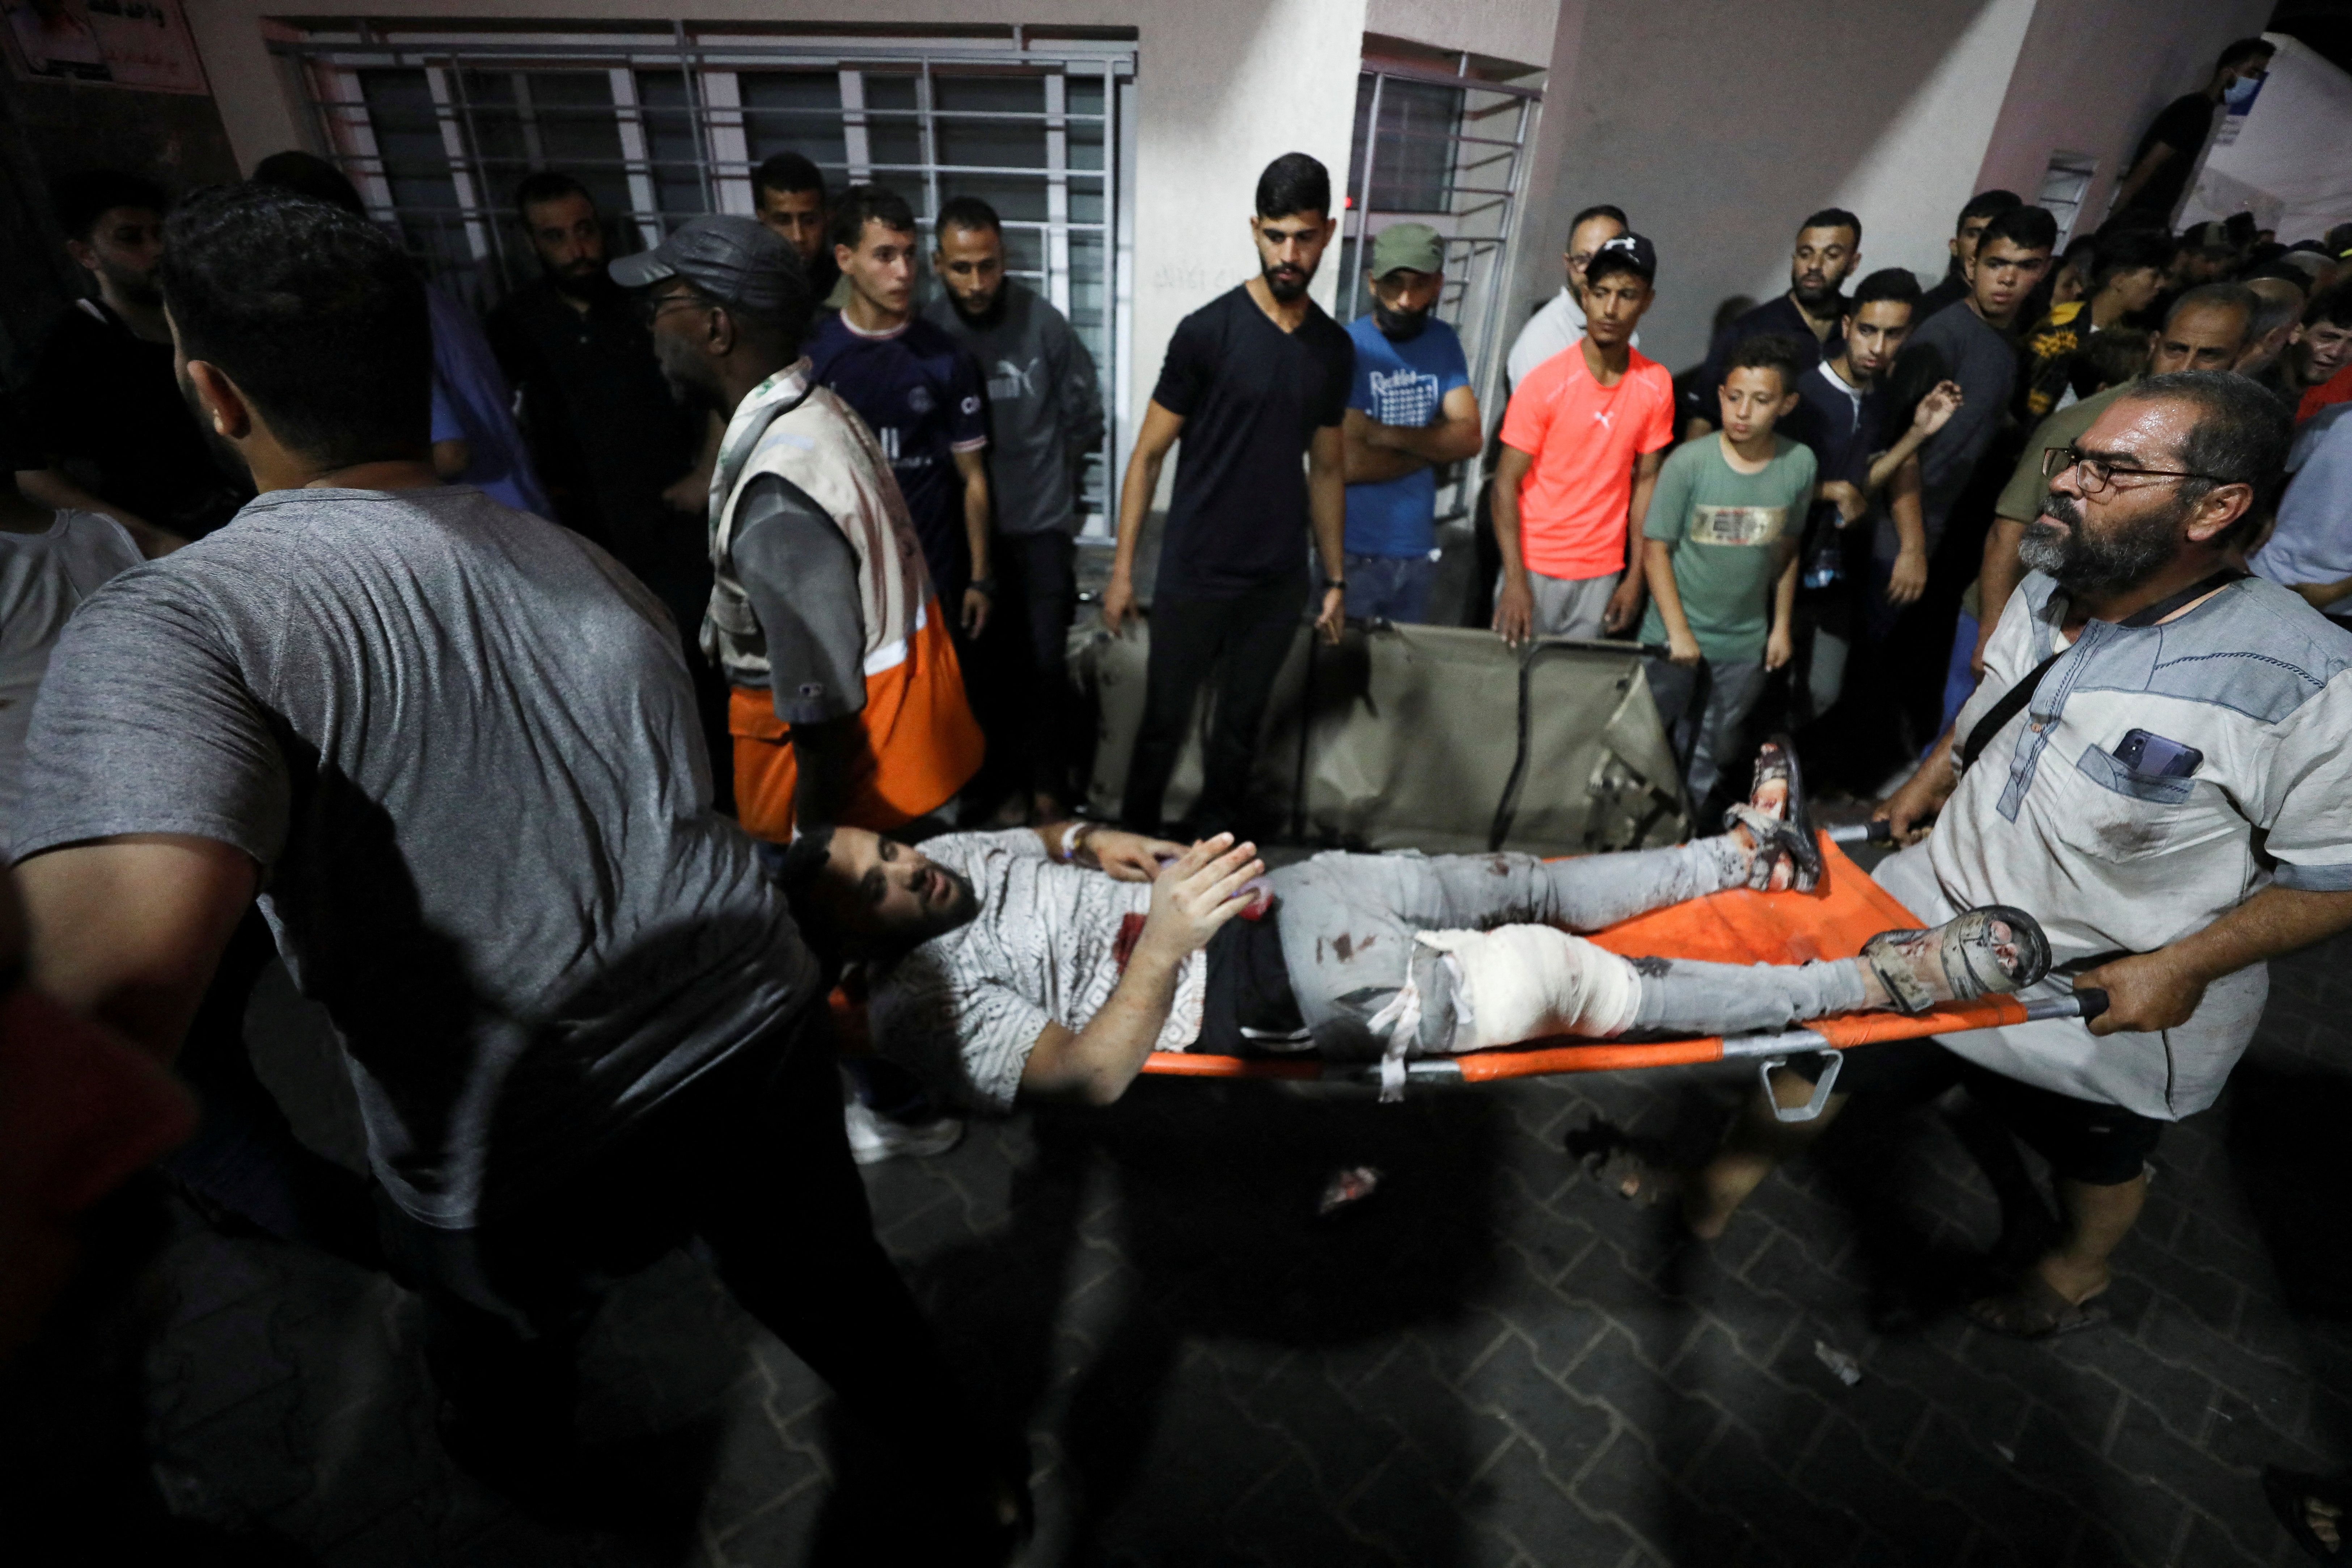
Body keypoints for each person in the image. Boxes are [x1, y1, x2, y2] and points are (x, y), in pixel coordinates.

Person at [9, 184, 1021, 1552]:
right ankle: (981, 1480)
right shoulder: (580, 560)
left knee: (500, 1396)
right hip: (749, 1033)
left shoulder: (183, 623)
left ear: (213, 391)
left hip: (519, 1137)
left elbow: (88, 1036)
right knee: (838, 1291)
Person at [1612, 372, 2352, 1343]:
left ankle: (2073, 1273)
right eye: (2074, 458)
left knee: (2093, 1159)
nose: (2067, 481)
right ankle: (1710, 1194)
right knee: (1813, 1055)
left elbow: (2334, 876)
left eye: (2111, 470)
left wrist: (2180, 967)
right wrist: (1929, 780)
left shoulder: (2304, 685)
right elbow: (1997, 704)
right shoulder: (2052, 582)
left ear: (2214, 508)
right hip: (1931, 920)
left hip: (2095, 993)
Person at [780, 744, 2048, 1114]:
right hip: (1278, 991)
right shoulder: (919, 1002)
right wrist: (1161, 940)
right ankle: (1882, 981)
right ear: (853, 945)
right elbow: (1086, 1079)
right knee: (1568, 977)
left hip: (1290, 892)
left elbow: (1030, 838)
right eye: (880, 884)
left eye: (889, 847)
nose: (913, 869)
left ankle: (1742, 854)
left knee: (1524, 877)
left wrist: (1083, 837)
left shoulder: (948, 858)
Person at [620, 212, 982, 847]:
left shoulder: (781, 487)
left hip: (850, 806)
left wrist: (811, 847)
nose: (651, 328)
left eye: (662, 307)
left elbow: (821, 707)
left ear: (716, 327)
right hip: (910, 764)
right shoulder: (821, 411)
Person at [1104, 152, 1352, 836]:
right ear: (1255, 230)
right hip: (1196, 571)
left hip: (1276, 581)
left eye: (1304, 237)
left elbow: (1327, 470)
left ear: (1328, 234)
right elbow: (1147, 456)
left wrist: (1334, 577)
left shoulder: (1333, 349)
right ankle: (1133, 853)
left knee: (1239, 734)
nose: (1289, 254)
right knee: (1164, 723)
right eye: (1276, 236)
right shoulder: (1206, 332)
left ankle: (1216, 859)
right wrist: (1123, 572)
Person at [923, 194, 1104, 821]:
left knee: (1046, 667)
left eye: (989, 266)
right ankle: (994, 794)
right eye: (962, 268)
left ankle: (1049, 792)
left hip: (1040, 530)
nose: (978, 283)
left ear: (1004, 260)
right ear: (938, 265)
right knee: (980, 672)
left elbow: (1085, 414)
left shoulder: (1043, 323)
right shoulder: (927, 336)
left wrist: (1050, 480)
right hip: (964, 538)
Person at [248, 149, 554, 518]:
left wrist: (330, 486)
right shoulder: (417, 292)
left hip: (490, 525)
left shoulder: (373, 312)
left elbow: (450, 453)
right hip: (521, 515)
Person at [1971, 284, 2255, 677]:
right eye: (2175, 349)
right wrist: (1991, 631)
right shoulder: (2086, 424)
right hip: (2031, 618)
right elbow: (2009, 529)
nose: (2188, 365)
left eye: (2210, 355)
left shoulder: (2231, 438)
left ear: (2241, 357)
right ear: (2154, 344)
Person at [485, 172, 712, 632]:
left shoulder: (644, 304)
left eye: (584, 230)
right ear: (531, 243)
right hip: (580, 529)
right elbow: (498, 420)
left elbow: (711, 384)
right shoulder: (516, 322)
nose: (577, 250)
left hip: (668, 518)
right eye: (556, 237)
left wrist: (705, 473)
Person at [11, 170, 246, 544]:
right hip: (178, 540)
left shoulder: (203, 316)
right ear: (86, 254)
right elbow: (33, 472)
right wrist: (151, 541)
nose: (156, 250)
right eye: (130, 238)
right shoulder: (71, 346)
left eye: (160, 233)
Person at [807, 184, 993, 646]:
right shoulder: (814, 356)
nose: (904, 272)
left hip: (931, 575)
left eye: (909, 254)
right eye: (885, 256)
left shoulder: (946, 357)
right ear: (845, 258)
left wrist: (979, 577)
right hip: (845, 576)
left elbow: (973, 477)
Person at [1638, 335, 1815, 808]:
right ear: (1720, 396)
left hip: (1741, 644)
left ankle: (1684, 831)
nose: (1743, 412)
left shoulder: (1798, 464)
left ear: (1786, 404)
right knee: (1643, 742)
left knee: (1707, 752)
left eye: (1760, 400)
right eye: (1734, 397)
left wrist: (1780, 626)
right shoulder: (1689, 463)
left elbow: (1787, 549)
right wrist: (1678, 631)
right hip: (1671, 639)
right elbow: (1656, 549)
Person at [1778, 269, 1949, 720]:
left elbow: (1861, 487)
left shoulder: (1880, 398)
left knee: (1820, 694)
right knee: (1768, 687)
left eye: (1892, 335)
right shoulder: (1803, 393)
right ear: (1847, 326)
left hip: (1834, 574)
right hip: (1783, 567)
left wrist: (1916, 435)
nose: (1877, 347)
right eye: (1868, 331)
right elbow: (1766, 484)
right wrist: (1830, 490)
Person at [1491, 232, 1675, 646]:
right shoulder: (1545, 382)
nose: (1610, 308)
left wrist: (1634, 576)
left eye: (1626, 295)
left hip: (1601, 572)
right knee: (1510, 682)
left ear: (1646, 301)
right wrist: (1515, 580)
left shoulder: (1655, 384)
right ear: (1586, 296)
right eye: (1601, 293)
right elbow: (1504, 484)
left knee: (1577, 685)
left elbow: (1647, 482)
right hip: (1534, 565)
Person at [1338, 221, 1481, 623]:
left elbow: (1470, 437)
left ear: (1437, 286)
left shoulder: (1442, 341)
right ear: (1372, 283)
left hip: (1418, 551)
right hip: (1354, 550)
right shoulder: (1349, 347)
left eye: (1418, 285)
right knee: (1339, 659)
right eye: (1394, 284)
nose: (1405, 300)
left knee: (1405, 664)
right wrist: (1434, 449)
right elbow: (1350, 463)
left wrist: (1381, 433)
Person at [1904, 205, 2056, 567]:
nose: (2008, 279)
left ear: (2044, 270)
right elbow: (1898, 446)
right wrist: (1910, 546)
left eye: (2026, 266)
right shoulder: (1942, 335)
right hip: (1909, 523)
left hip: (1951, 521)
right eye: (1996, 264)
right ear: (1971, 265)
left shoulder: (2010, 333)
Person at [1682, 208, 1862, 441]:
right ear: (1794, 259)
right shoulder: (1749, 330)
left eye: (1832, 255)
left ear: (1853, 263)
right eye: (1805, 254)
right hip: (1762, 462)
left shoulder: (1864, 328)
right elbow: (1703, 419)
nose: (1814, 265)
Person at [2110, 38, 2277, 226]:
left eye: (2258, 77)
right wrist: (2115, 218)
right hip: (2136, 221)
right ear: (2226, 72)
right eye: (2251, 73)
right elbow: (2149, 164)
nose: (2253, 83)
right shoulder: (2194, 110)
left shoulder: (2202, 111)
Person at [2013, 227, 2172, 421]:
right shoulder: (2063, 326)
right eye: (2154, 276)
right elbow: (2028, 404)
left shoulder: (2127, 337)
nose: (2161, 285)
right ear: (2119, 280)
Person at [1505, 203, 1635, 389]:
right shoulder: (1542, 344)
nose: (1594, 272)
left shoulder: (1624, 322)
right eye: (1584, 260)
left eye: (1607, 258)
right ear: (1568, 264)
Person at [752, 150, 848, 316]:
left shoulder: (849, 284)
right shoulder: (748, 288)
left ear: (827, 218)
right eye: (783, 221)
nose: (798, 237)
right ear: (763, 220)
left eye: (809, 221)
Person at [1917, 190, 2023, 320]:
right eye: (1973, 235)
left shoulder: (2028, 308)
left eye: (1993, 235)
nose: (1981, 244)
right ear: (1955, 246)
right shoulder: (1930, 310)